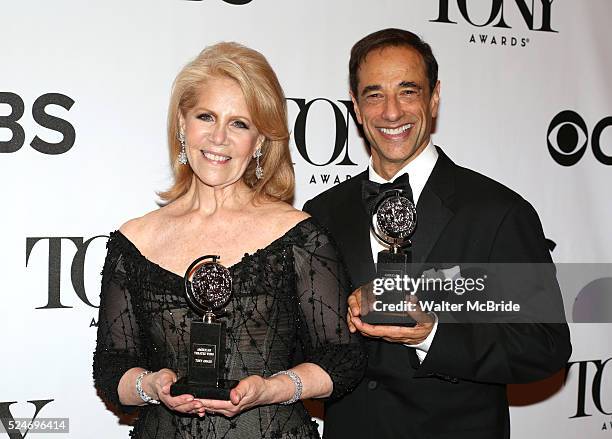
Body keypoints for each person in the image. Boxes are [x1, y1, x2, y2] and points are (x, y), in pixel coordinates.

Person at [303, 28, 572, 439]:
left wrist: (432, 332)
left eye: (408, 91)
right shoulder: (321, 213)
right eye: (374, 95)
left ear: (434, 97)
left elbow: (544, 346)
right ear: (356, 107)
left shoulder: (496, 211)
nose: (391, 112)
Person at [93, 42, 366, 439]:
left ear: (259, 141)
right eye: (206, 116)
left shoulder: (298, 236)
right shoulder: (134, 240)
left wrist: (272, 389)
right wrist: (150, 386)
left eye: (239, 123)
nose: (218, 137)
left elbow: (342, 359)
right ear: (182, 124)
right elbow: (112, 368)